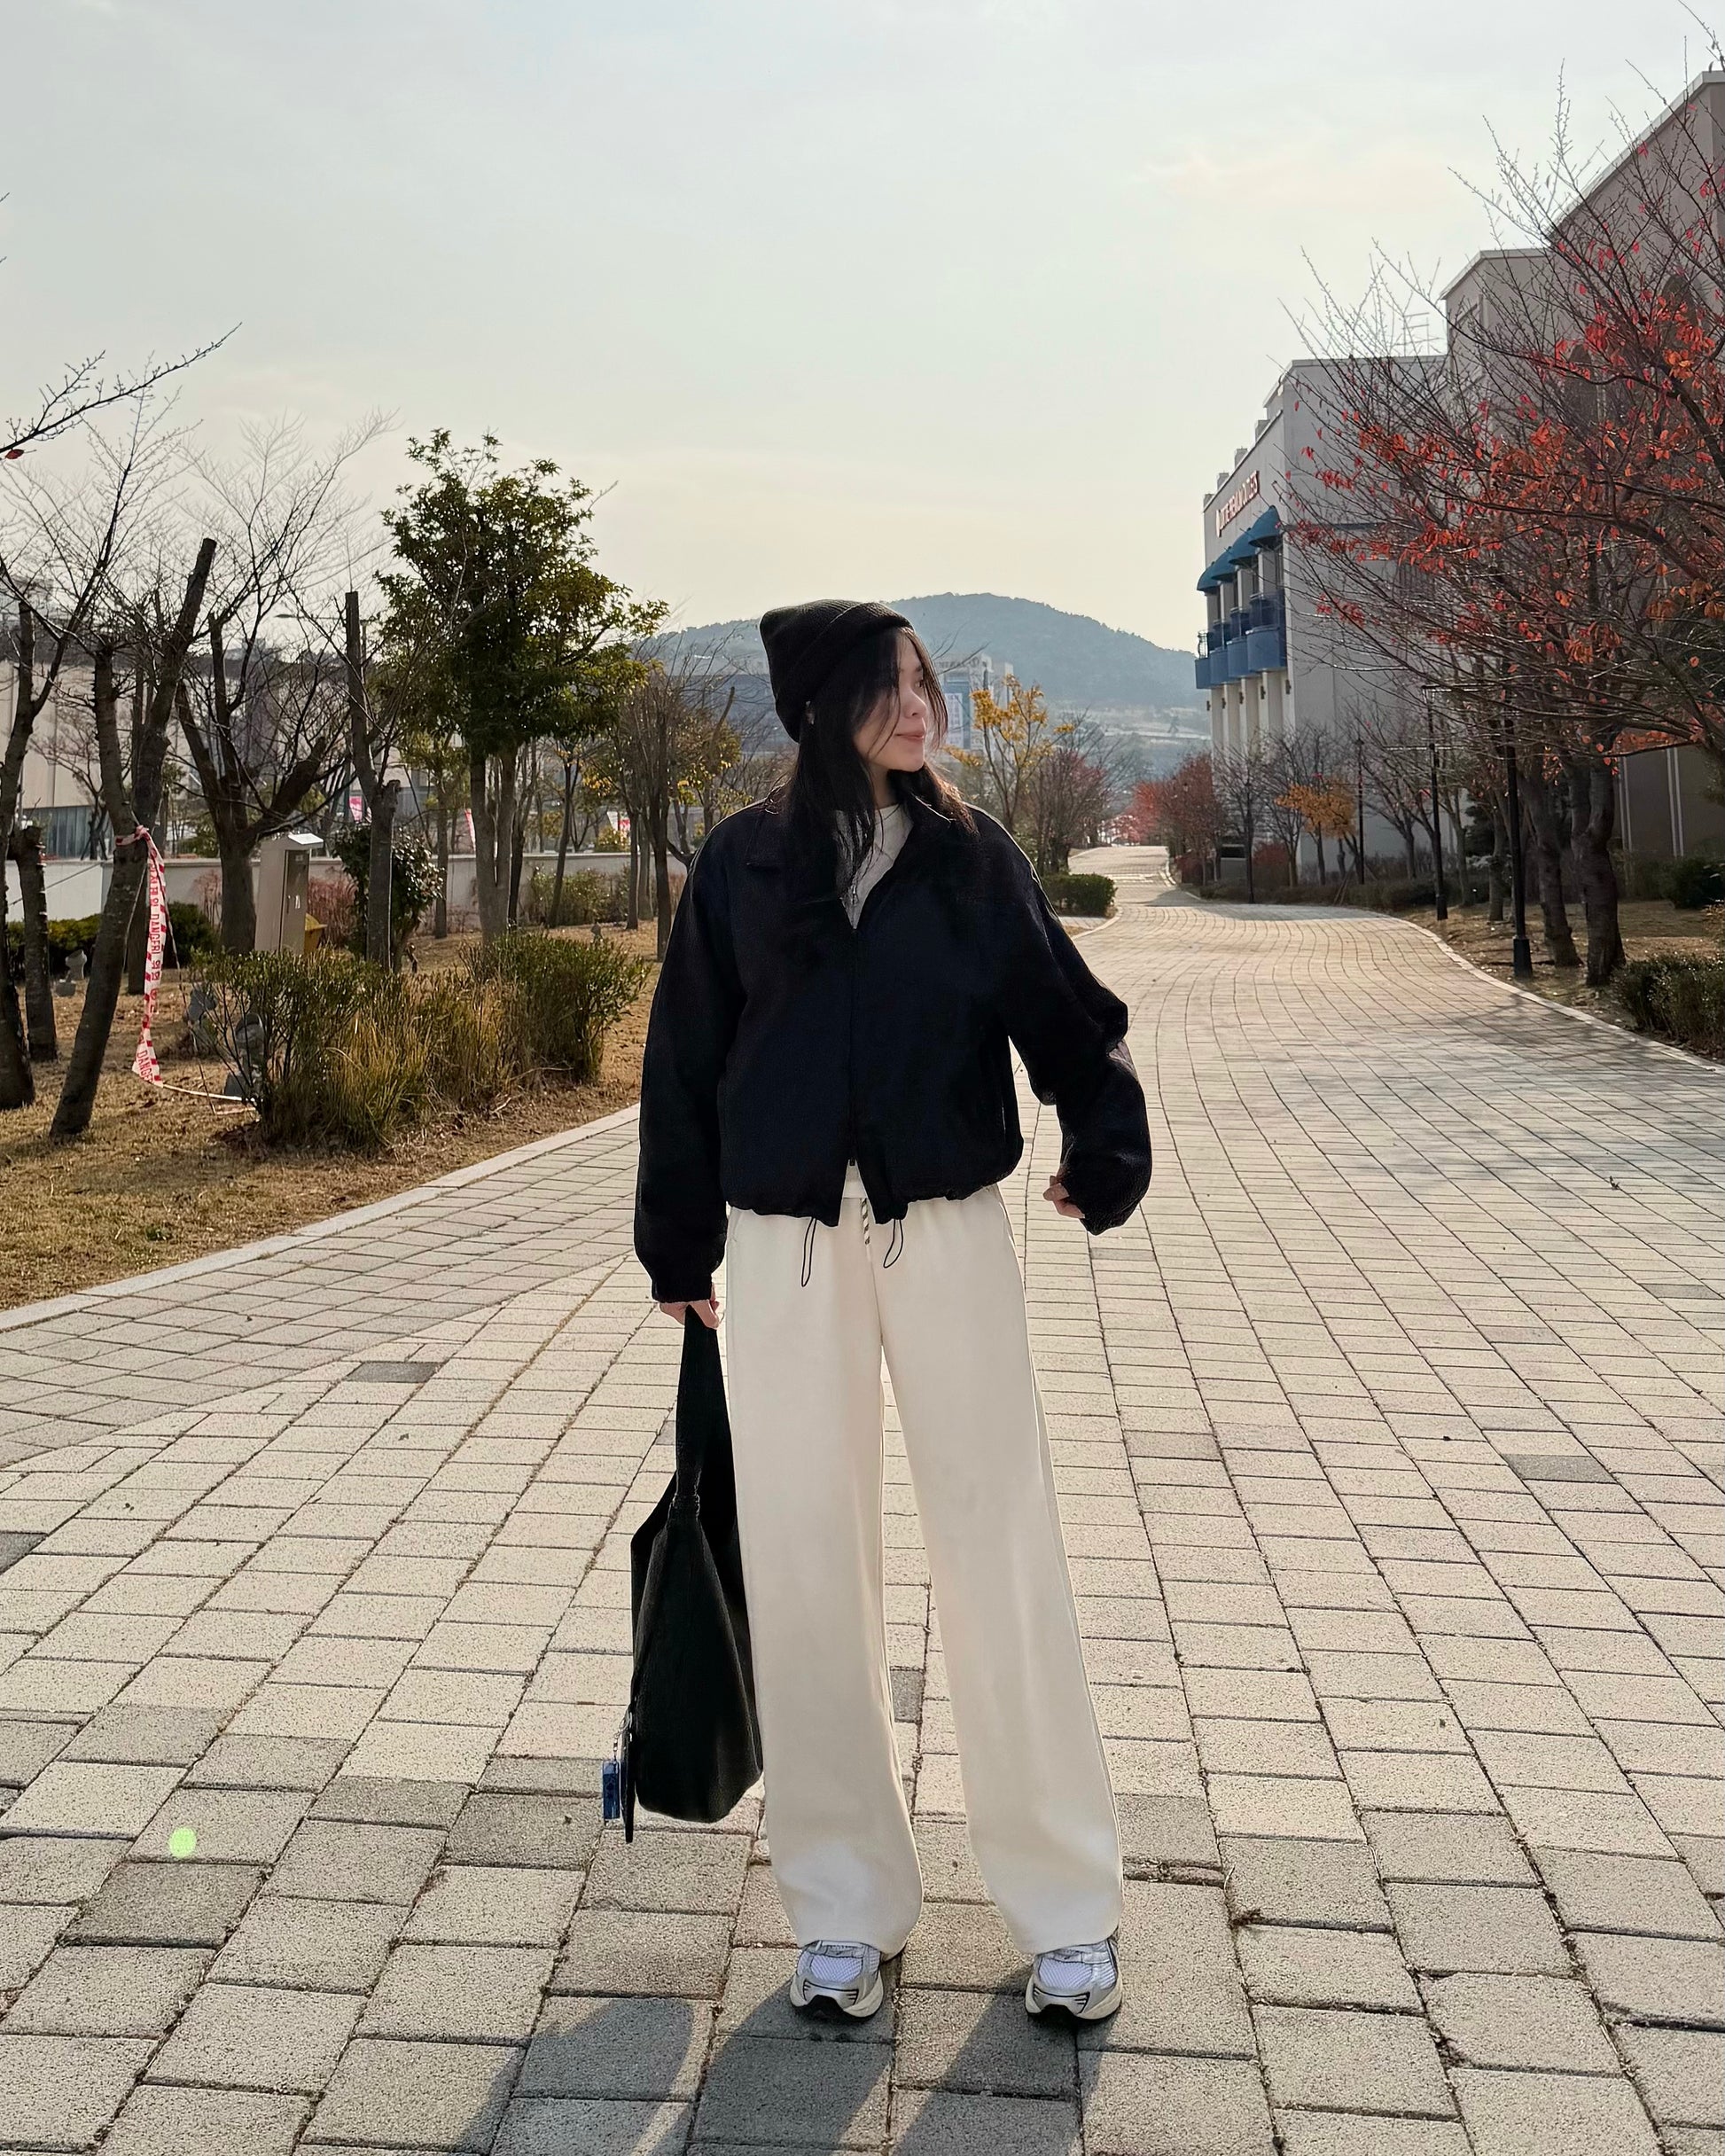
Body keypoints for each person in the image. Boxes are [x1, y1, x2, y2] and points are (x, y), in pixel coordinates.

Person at [634, 598, 1152, 2023]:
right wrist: (676, 1242)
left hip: (947, 1235)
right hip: (782, 1249)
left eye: (924, 682)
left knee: (999, 1543)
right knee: (805, 1561)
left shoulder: (972, 857)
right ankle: (842, 1909)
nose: (918, 707)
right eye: (888, 685)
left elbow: (1068, 1017)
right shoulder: (741, 862)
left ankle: (1065, 1906)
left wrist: (1103, 1143)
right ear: (819, 707)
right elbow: (683, 1056)